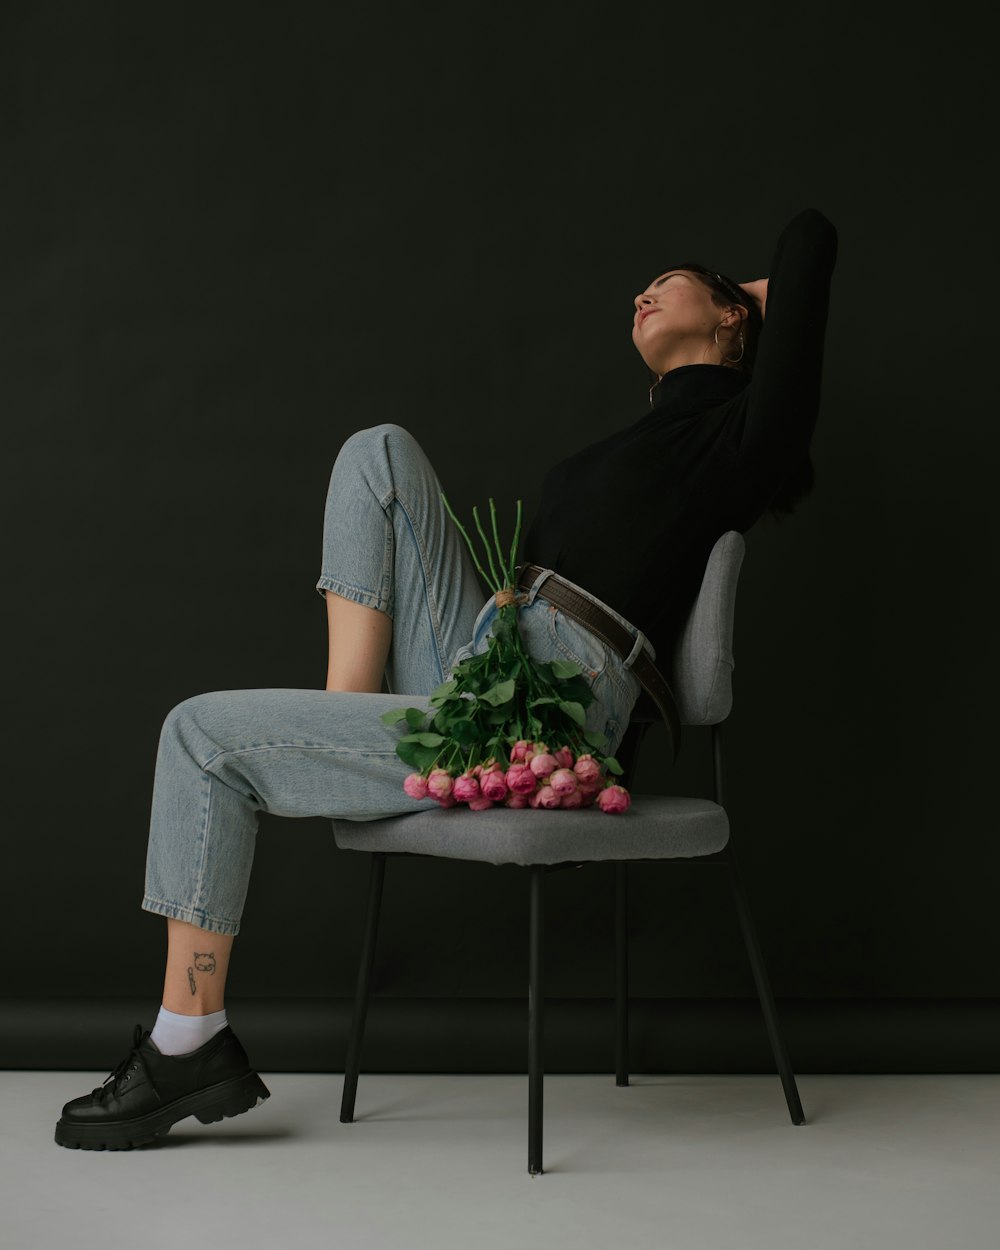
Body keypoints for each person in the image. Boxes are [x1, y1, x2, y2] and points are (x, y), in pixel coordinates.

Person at [54, 206, 838, 1150]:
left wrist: (750, 300)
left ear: (734, 320)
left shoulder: (743, 439)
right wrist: (711, 299)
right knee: (377, 451)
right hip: (489, 656)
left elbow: (810, 237)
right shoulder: (646, 441)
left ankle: (189, 1040)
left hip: (557, 708)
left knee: (198, 733)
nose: (641, 293)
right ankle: (355, 722)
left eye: (673, 284)